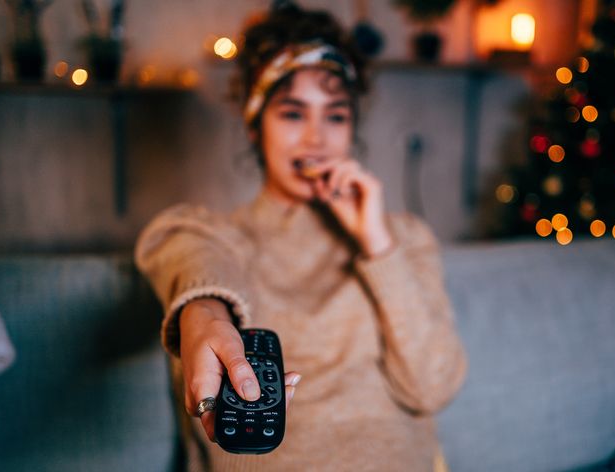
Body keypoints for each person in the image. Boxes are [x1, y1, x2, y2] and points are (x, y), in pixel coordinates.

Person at [134, 3, 468, 471]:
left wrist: (378, 244)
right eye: (293, 114)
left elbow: (433, 387)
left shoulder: (405, 238)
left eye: (336, 116)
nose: (316, 138)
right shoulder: (211, 234)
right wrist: (205, 314)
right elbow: (187, 256)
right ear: (256, 126)